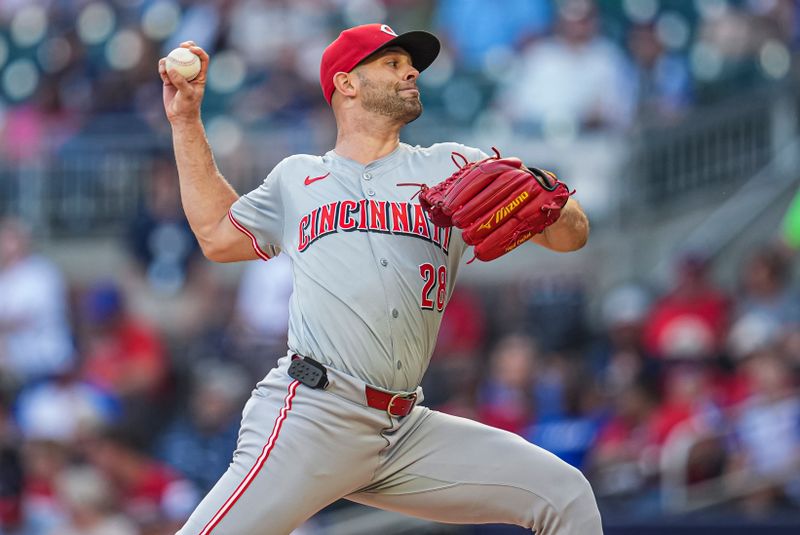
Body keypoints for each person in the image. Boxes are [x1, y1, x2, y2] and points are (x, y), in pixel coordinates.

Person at [159, 23, 602, 535]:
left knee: (565, 495)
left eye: (410, 64)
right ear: (346, 83)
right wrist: (186, 119)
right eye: (392, 64)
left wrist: (544, 190)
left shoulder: (454, 166)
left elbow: (573, 236)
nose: (411, 71)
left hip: (404, 429)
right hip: (315, 416)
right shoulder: (298, 178)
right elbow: (216, 234)